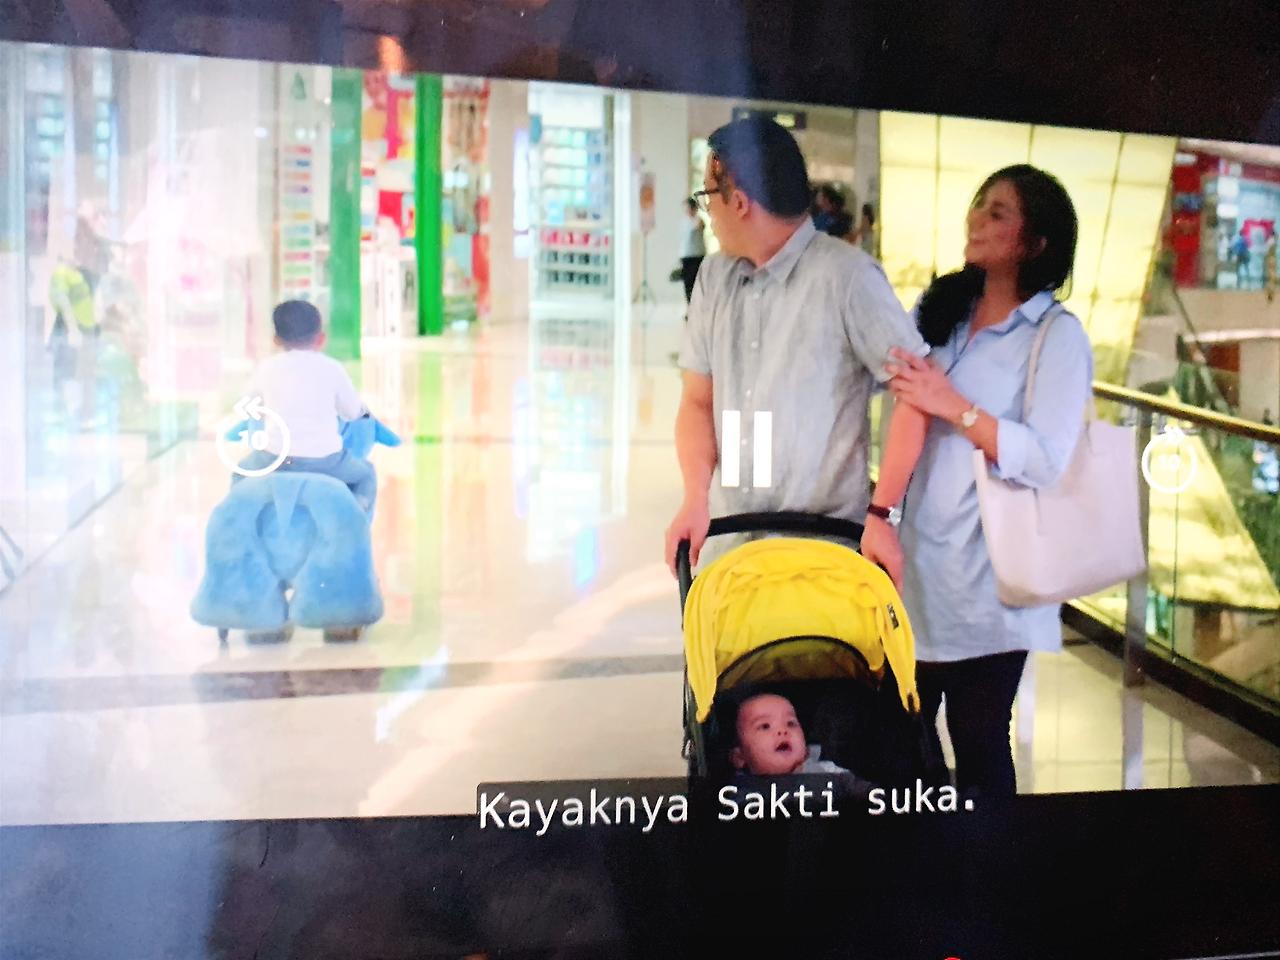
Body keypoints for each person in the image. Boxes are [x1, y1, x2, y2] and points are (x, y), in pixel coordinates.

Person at [878, 165, 1092, 799]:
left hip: (993, 580)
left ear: (1036, 242)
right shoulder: (940, 311)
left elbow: (1046, 458)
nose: (977, 217)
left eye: (998, 212)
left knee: (977, 736)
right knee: (900, 735)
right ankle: (919, 855)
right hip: (915, 564)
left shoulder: (1056, 336)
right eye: (978, 204)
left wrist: (955, 407)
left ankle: (988, 858)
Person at [664, 117, 931, 586]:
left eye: (708, 196)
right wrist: (694, 498)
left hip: (822, 559)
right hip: (729, 551)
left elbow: (917, 393)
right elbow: (698, 401)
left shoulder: (848, 279)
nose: (707, 212)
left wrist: (883, 512)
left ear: (739, 202)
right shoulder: (714, 277)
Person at [234, 300, 378, 514]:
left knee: (239, 474)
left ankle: (241, 521)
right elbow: (351, 411)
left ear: (276, 340)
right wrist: (361, 413)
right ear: (321, 338)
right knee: (366, 475)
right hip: (326, 461)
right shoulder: (332, 368)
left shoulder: (266, 368)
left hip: (274, 459)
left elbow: (249, 405)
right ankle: (356, 517)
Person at [731, 693, 848, 776]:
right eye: (765, 726)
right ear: (740, 757)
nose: (782, 731)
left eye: (791, 724)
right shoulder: (733, 793)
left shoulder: (827, 774)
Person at [679, 197, 707, 305]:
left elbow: (700, 226)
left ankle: (698, 304)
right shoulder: (684, 222)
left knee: (697, 281)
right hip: (686, 255)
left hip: (697, 255)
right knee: (688, 282)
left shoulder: (698, 220)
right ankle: (689, 304)